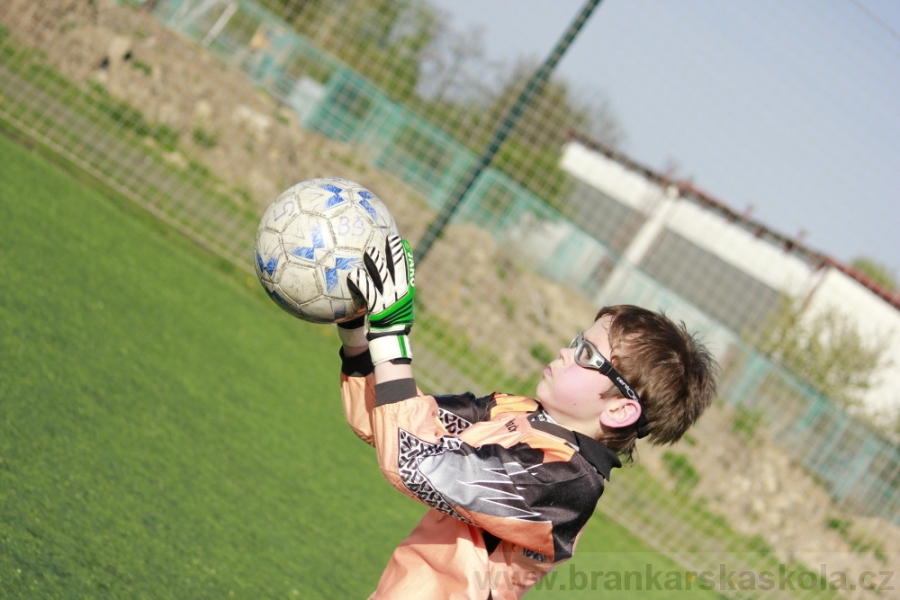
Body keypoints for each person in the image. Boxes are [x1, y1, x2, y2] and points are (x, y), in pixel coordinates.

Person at [337, 235, 717, 599]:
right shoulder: (512, 410)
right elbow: (387, 420)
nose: (566, 352)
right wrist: (358, 332)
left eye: (588, 355)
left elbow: (415, 463)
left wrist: (391, 334)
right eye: (577, 342)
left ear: (619, 410)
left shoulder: (566, 482)